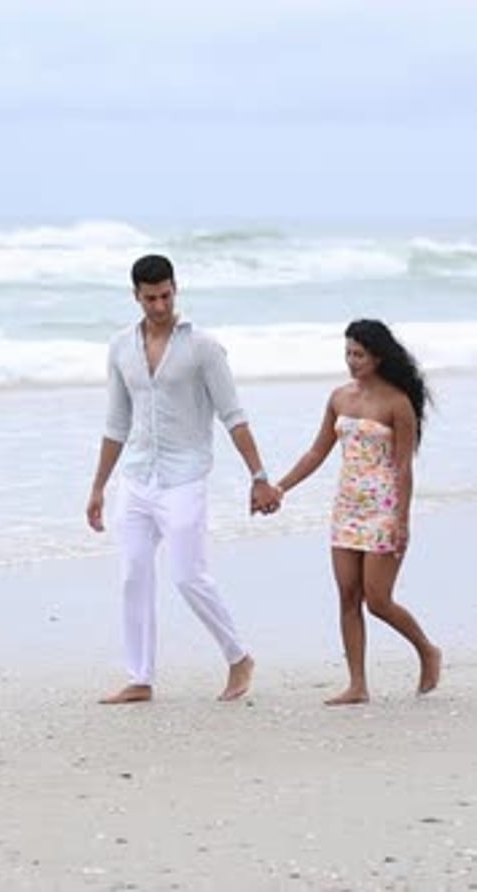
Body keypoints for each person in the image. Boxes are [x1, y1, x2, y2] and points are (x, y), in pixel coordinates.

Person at [86, 254, 281, 704]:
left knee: (187, 575)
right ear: (135, 295)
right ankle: (139, 678)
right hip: (136, 478)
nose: (159, 305)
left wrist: (260, 477)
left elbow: (234, 416)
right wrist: (98, 486)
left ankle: (238, 657)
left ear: (176, 289)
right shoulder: (120, 347)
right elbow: (116, 422)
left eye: (166, 295)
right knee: (133, 575)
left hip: (185, 477)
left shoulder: (203, 347)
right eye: (150, 297)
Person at [271, 319, 441, 705]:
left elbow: (403, 467)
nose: (351, 361)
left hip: (384, 509)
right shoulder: (339, 398)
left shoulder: (398, 404)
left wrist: (402, 520)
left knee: (378, 600)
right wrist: (281, 487)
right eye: (348, 353)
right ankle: (357, 685)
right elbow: (317, 452)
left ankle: (428, 651)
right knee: (348, 596)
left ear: (378, 357)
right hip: (346, 507)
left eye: (359, 354)